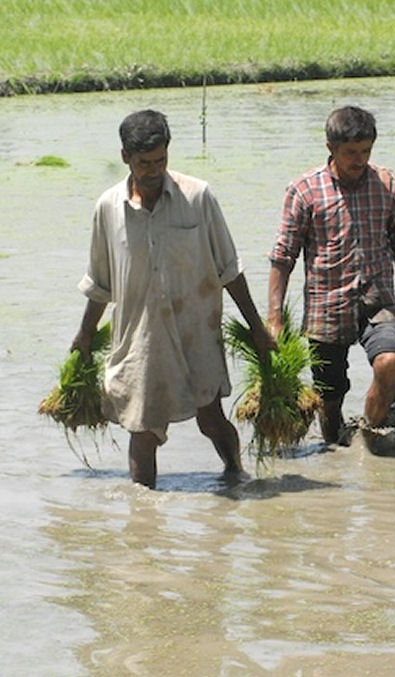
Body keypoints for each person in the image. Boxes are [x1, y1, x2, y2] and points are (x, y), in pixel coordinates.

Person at [72, 109, 275, 489]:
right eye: (144, 162)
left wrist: (257, 328)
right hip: (139, 339)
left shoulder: (197, 197)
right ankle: (144, 514)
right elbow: (100, 283)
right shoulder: (107, 208)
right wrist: (85, 335)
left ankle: (235, 472)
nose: (153, 170)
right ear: (125, 158)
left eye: (160, 160)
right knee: (143, 428)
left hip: (196, 329)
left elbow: (229, 268)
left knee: (210, 419)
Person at [267, 106, 395, 446]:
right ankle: (334, 445)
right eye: (350, 153)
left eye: (366, 152)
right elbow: (283, 256)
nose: (359, 160)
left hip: (378, 301)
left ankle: (367, 441)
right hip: (327, 308)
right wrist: (274, 318)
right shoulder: (304, 191)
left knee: (389, 362)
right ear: (330, 147)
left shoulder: (387, 184)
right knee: (330, 400)